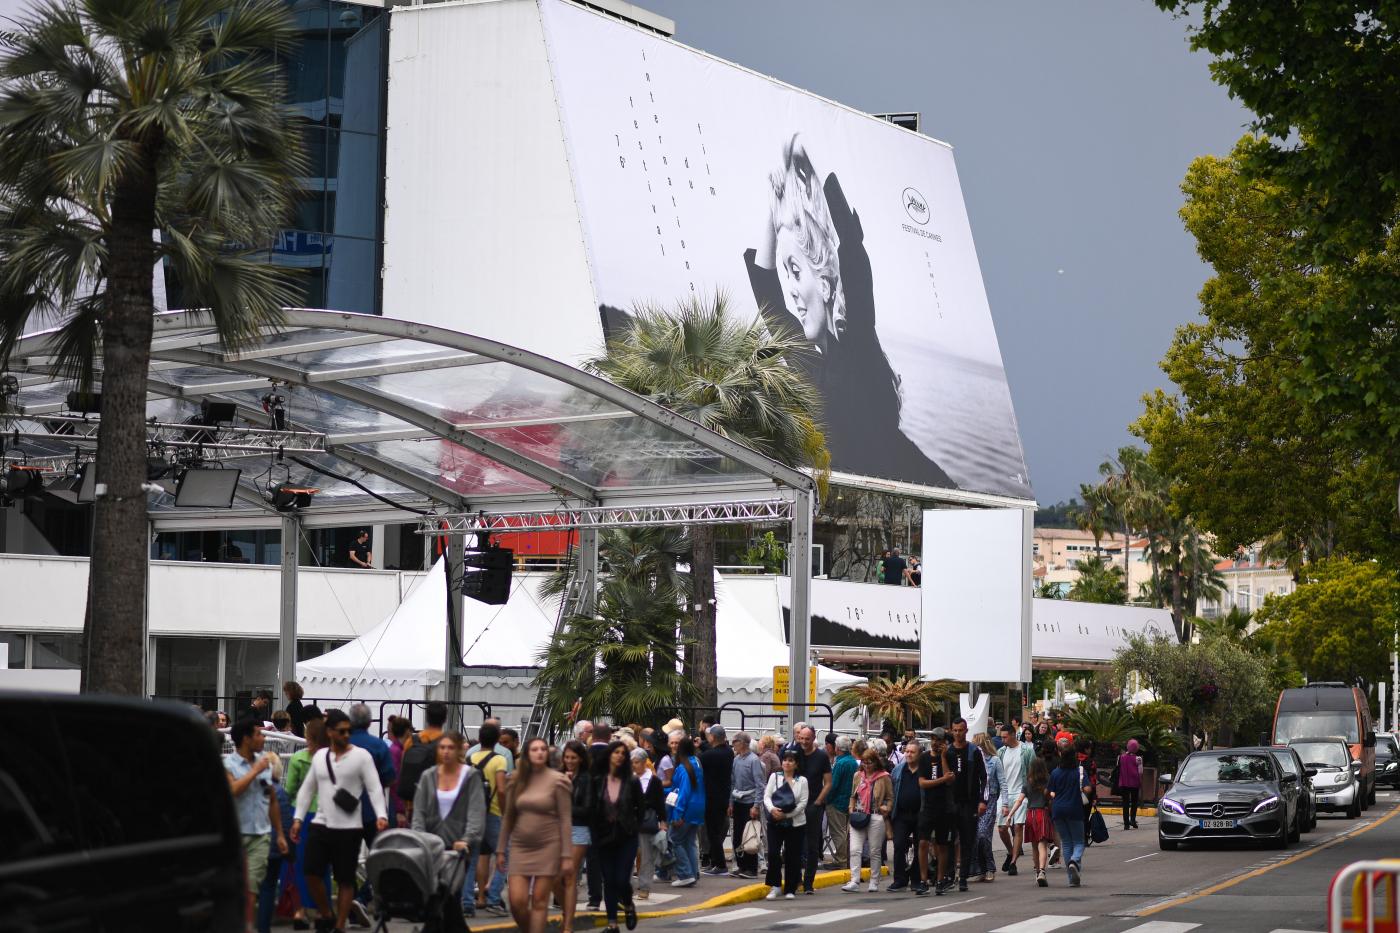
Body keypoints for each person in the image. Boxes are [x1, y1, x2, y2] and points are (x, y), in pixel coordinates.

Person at [291, 709, 389, 933]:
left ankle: (339, 926)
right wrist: (298, 818)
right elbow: (307, 789)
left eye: (349, 731)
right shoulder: (320, 757)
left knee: (345, 879)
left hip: (349, 827)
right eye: (341, 731)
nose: (347, 735)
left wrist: (381, 815)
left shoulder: (361, 756)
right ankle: (326, 913)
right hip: (322, 823)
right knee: (311, 871)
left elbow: (375, 788)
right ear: (330, 732)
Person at [410, 732, 484, 933]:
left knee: (449, 894)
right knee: (438, 897)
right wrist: (419, 838)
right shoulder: (428, 776)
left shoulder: (470, 777)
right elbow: (419, 812)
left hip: (457, 847)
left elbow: (476, 813)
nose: (445, 752)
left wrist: (468, 839)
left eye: (450, 747)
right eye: (442, 747)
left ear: (460, 750)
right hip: (431, 847)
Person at [498, 737, 572, 933]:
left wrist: (566, 855)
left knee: (540, 899)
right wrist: (500, 850)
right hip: (521, 846)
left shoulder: (558, 781)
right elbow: (508, 817)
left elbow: (565, 819)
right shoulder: (516, 779)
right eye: (534, 749)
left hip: (548, 845)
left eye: (542, 749)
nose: (539, 752)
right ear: (527, 754)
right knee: (517, 901)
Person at [226, 718, 289, 927]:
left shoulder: (265, 762)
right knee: (236, 888)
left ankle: (249, 927)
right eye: (259, 734)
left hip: (260, 835)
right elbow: (233, 791)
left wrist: (279, 833)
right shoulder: (228, 764)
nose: (263, 738)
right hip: (235, 834)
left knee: (251, 888)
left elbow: (271, 799)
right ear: (246, 739)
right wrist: (254, 771)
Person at [284, 706, 329, 932]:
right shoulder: (332, 758)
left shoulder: (299, 758)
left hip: (300, 815)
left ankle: (301, 910)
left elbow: (290, 788)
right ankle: (324, 909)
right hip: (327, 815)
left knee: (301, 866)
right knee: (324, 867)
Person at [592, 741, 645, 933]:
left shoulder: (631, 781)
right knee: (610, 880)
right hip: (604, 836)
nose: (620, 756)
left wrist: (634, 827)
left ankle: (629, 906)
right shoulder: (598, 780)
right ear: (609, 755)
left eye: (623, 753)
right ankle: (612, 923)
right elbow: (593, 808)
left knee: (622, 879)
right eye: (616, 752)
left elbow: (641, 807)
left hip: (626, 836)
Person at [469, 722, 509, 918]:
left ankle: (467, 901)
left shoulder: (470, 758)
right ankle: (493, 898)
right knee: (504, 854)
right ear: (497, 740)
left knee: (472, 857)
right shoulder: (499, 760)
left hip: (473, 814)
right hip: (493, 813)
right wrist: (505, 811)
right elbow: (501, 789)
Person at [946, 718, 988, 892]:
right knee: (948, 841)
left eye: (960, 730)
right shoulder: (947, 752)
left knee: (967, 841)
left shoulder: (974, 751)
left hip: (970, 804)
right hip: (951, 803)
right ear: (951, 731)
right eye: (955, 730)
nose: (958, 733)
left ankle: (963, 877)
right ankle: (948, 876)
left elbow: (984, 777)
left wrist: (982, 801)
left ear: (966, 730)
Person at [763, 747, 810, 900]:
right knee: (773, 853)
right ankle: (775, 886)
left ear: (796, 764)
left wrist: (787, 814)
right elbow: (767, 796)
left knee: (792, 855)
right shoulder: (774, 777)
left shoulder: (802, 781)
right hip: (775, 821)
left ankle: (790, 888)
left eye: (791, 761)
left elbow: (803, 803)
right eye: (785, 760)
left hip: (795, 823)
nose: (787, 763)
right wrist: (772, 810)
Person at [841, 749, 891, 893]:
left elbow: (890, 797)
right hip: (858, 814)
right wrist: (851, 808)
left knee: (875, 851)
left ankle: (874, 880)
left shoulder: (884, 777)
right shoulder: (858, 776)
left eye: (870, 762)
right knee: (855, 849)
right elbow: (853, 795)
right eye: (864, 762)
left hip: (876, 815)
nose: (867, 766)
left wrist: (886, 808)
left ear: (876, 762)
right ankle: (854, 880)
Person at [557, 740, 594, 933]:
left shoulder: (586, 779)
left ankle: (568, 924)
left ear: (580, 758)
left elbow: (587, 809)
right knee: (555, 878)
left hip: (579, 829)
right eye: (567, 757)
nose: (569, 761)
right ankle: (567, 911)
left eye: (573, 757)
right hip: (557, 830)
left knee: (569, 875)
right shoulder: (558, 776)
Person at [917, 728, 955, 896]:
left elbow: (950, 779)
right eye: (932, 739)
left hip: (944, 807)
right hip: (928, 806)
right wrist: (940, 780)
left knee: (942, 844)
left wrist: (943, 757)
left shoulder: (949, 756)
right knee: (923, 842)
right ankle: (923, 880)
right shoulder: (924, 758)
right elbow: (923, 783)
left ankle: (940, 879)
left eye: (938, 740)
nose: (935, 742)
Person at [794, 725, 832, 894]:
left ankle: (808, 882)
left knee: (812, 846)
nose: (803, 742)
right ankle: (795, 879)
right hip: (795, 805)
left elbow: (828, 783)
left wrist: (818, 802)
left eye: (806, 739)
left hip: (813, 806)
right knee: (793, 843)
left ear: (813, 738)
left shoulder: (821, 756)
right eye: (801, 738)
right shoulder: (794, 753)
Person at [665, 735, 705, 887]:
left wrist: (678, 814)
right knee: (689, 841)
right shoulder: (697, 762)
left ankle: (685, 873)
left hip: (686, 808)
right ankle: (692, 873)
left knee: (676, 839)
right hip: (698, 806)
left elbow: (683, 792)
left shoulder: (683, 767)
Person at [1047, 747, 1090, 887]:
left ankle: (1072, 879)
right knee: (1079, 841)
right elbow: (1088, 789)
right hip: (1074, 809)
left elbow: (1049, 792)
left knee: (1066, 842)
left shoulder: (1055, 773)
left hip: (1058, 809)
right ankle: (1075, 860)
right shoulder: (1079, 772)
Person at [1010, 757, 1053, 887]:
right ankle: (1042, 871)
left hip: (1030, 815)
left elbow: (1019, 800)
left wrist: (1010, 815)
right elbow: (1052, 796)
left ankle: (1037, 871)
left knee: (1034, 846)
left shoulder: (1027, 783)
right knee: (1042, 845)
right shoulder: (1048, 781)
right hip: (1043, 813)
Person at [728, 731, 767, 879]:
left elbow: (760, 784)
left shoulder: (753, 760)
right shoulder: (736, 759)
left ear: (744, 743)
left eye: (735, 741)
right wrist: (730, 803)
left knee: (750, 835)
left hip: (750, 802)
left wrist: (756, 805)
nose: (733, 744)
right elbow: (732, 782)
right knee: (737, 836)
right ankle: (741, 865)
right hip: (738, 801)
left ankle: (751, 867)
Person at [997, 722, 1033, 877]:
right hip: (1004, 795)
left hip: (1021, 793)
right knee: (1001, 828)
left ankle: (1013, 863)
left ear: (1012, 734)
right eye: (1001, 737)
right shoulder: (1001, 752)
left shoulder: (1026, 750)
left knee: (1018, 827)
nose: (1002, 740)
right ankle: (1012, 853)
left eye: (1005, 737)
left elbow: (1032, 772)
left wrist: (1031, 792)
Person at [887, 739, 923, 893]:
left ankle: (916, 879)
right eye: (906, 751)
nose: (908, 754)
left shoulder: (925, 770)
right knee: (899, 845)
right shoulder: (899, 770)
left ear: (919, 754)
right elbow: (892, 790)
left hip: (920, 814)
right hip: (901, 814)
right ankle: (900, 879)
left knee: (920, 846)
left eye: (912, 752)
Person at [632, 747, 667, 901]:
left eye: (637, 762)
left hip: (648, 820)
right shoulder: (628, 778)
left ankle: (644, 886)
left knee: (647, 856)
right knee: (627, 855)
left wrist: (663, 821)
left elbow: (660, 803)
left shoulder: (654, 781)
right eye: (631, 762)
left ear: (644, 763)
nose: (634, 765)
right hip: (629, 820)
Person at [699, 724, 734, 875]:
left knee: (712, 832)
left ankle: (720, 864)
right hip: (724, 796)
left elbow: (703, 758)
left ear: (712, 737)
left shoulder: (708, 756)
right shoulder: (729, 752)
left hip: (712, 797)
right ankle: (715, 862)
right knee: (717, 831)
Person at [970, 735, 1001, 883]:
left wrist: (1005, 804)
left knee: (983, 834)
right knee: (976, 837)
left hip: (991, 800)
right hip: (975, 800)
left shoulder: (995, 761)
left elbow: (1002, 783)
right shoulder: (973, 762)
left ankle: (990, 868)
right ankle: (981, 869)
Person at [828, 735, 858, 872]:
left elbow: (833, 785)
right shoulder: (853, 762)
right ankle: (846, 859)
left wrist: (826, 800)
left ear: (837, 748)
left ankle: (841, 860)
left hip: (837, 802)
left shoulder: (840, 763)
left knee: (838, 832)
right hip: (850, 801)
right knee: (847, 833)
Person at [387, 716, 414, 827]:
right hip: (397, 806)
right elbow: (396, 782)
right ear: (407, 731)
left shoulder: (396, 750)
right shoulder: (396, 751)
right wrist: (400, 810)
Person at [1116, 739, 1144, 830]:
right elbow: (1140, 771)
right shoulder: (1138, 759)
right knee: (1134, 802)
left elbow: (1118, 768)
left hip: (1124, 783)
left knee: (1125, 803)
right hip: (1135, 783)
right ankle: (1132, 819)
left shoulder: (1120, 757)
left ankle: (1126, 824)